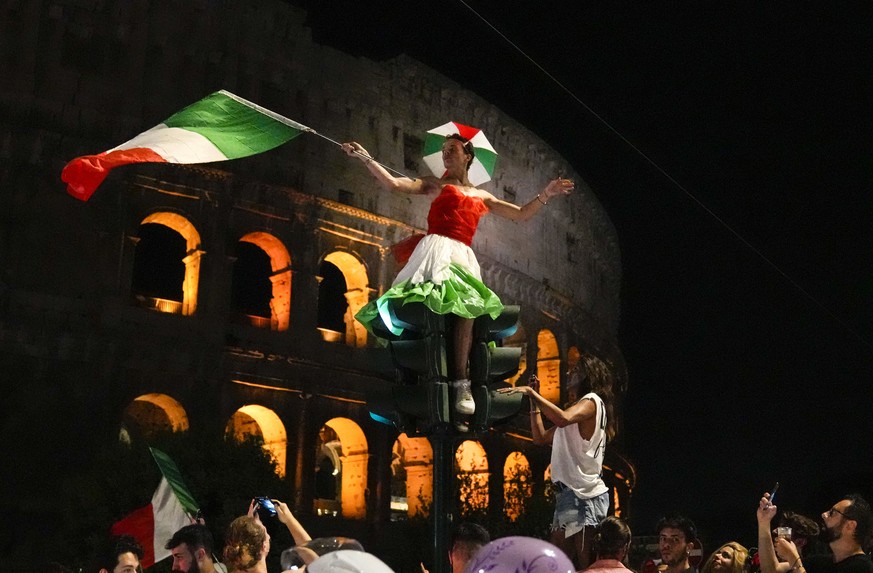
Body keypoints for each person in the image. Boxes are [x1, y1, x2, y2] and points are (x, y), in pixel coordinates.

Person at [342, 136, 573, 417]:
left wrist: (546, 194)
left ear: (468, 156)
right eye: (443, 151)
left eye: (452, 150)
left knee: (468, 308)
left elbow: (522, 214)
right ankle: (417, 376)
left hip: (462, 256)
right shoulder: (436, 184)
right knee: (420, 309)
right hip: (434, 251)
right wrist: (367, 158)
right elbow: (393, 183)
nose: (446, 154)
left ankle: (461, 382)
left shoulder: (483, 196)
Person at [497, 354, 618, 569]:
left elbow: (562, 417)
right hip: (568, 495)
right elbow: (540, 438)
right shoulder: (576, 411)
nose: (570, 374)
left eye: (576, 370)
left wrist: (531, 392)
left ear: (588, 375)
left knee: (586, 566)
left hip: (585, 496)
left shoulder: (592, 401)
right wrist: (534, 400)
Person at [757, 493, 873, 573]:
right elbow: (772, 570)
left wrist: (793, 558)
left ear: (850, 525)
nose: (824, 514)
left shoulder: (862, 567)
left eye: (833, 513)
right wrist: (764, 522)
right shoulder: (820, 562)